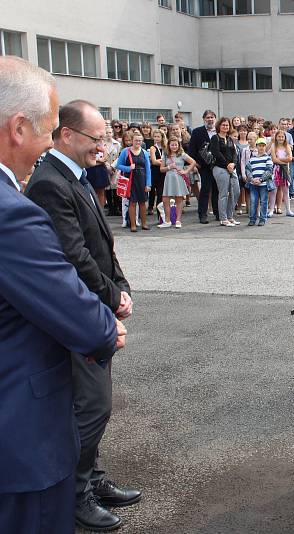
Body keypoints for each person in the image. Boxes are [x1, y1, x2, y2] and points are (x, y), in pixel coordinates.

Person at [0, 57, 125, 534]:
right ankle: (82, 489)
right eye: (48, 131)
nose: (49, 143)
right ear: (18, 128)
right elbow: (71, 292)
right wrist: (106, 319)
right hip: (21, 439)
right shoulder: (13, 211)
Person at [24, 99, 138, 532]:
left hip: (96, 303)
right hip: (78, 313)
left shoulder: (75, 175)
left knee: (92, 403)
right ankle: (75, 494)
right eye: (97, 139)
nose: (103, 147)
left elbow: (102, 244)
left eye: (105, 138)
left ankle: (91, 477)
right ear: (67, 135)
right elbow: (72, 256)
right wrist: (111, 298)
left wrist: (120, 288)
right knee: (92, 407)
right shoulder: (50, 183)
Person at [116, 133, 151, 232]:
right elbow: (118, 165)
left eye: (140, 140)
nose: (138, 142)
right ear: (132, 140)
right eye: (136, 140)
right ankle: (133, 225)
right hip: (131, 179)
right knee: (132, 203)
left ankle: (144, 224)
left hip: (142, 179)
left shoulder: (144, 152)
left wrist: (148, 184)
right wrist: (128, 168)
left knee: (143, 203)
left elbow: (148, 169)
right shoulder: (125, 152)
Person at [188, 109, 218, 224]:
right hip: (203, 166)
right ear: (204, 119)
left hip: (217, 166)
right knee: (205, 189)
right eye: (207, 118)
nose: (210, 119)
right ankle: (202, 215)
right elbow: (191, 150)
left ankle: (217, 213)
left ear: (215, 119)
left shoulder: (219, 131)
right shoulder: (197, 132)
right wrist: (195, 163)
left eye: (212, 117)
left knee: (216, 190)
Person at [210, 116, 241, 227]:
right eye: (223, 125)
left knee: (235, 192)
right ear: (219, 126)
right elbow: (216, 153)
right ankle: (223, 218)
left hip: (231, 168)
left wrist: (233, 163)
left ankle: (230, 216)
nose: (225, 126)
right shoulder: (215, 138)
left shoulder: (230, 139)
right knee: (224, 194)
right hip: (220, 168)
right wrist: (227, 164)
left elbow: (234, 154)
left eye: (227, 125)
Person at [159, 136, 195, 228]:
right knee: (165, 199)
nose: (174, 146)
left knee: (179, 199)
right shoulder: (165, 155)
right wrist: (169, 167)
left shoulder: (182, 154)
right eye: (172, 145)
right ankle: (167, 221)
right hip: (169, 178)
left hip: (178, 178)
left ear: (179, 145)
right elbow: (161, 169)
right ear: (169, 145)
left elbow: (193, 162)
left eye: (176, 145)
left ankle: (178, 220)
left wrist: (186, 171)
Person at [245, 137, 274, 226]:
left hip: (263, 184)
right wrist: (251, 179)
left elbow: (269, 171)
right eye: (259, 146)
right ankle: (252, 219)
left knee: (264, 202)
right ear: (256, 147)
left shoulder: (268, 158)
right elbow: (248, 170)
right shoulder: (252, 158)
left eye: (263, 146)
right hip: (253, 184)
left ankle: (262, 219)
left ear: (265, 147)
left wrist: (261, 179)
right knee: (253, 201)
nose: (261, 147)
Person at [270, 129, 294, 217]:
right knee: (274, 190)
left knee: (286, 190)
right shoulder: (273, 146)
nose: (281, 138)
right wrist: (283, 161)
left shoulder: (287, 146)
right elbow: (273, 159)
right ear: (276, 137)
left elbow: (290, 158)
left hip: (285, 170)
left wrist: (279, 160)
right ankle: (271, 210)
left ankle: (288, 210)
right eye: (279, 136)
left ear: (285, 138)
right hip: (276, 169)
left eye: (282, 137)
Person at [148, 128, 167, 223]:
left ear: (162, 137)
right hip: (155, 173)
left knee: (162, 195)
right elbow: (154, 161)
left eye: (158, 136)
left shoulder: (165, 147)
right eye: (155, 136)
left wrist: (162, 162)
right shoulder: (153, 148)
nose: (156, 138)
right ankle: (159, 216)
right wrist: (164, 163)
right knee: (155, 193)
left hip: (164, 173)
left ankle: (162, 216)